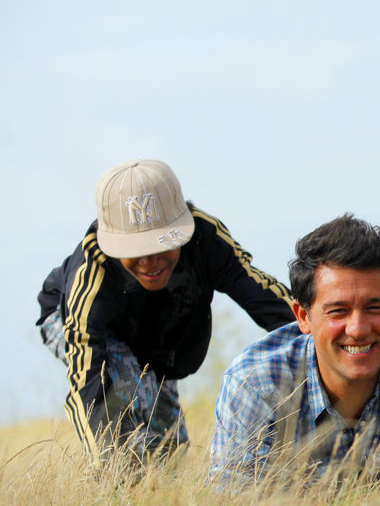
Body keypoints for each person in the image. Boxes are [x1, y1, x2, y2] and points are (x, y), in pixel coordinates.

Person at [36, 159, 295, 461]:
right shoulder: (92, 271)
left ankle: (159, 486)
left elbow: (260, 293)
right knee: (130, 386)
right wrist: (108, 462)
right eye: (136, 251)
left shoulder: (205, 238)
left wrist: (318, 333)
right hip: (73, 322)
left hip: (149, 334)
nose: (150, 262)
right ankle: (122, 478)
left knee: (169, 442)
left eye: (162, 246)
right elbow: (87, 380)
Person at [210, 214, 380, 484]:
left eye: (374, 308)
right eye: (338, 311)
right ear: (303, 317)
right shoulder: (256, 381)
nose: (358, 329)